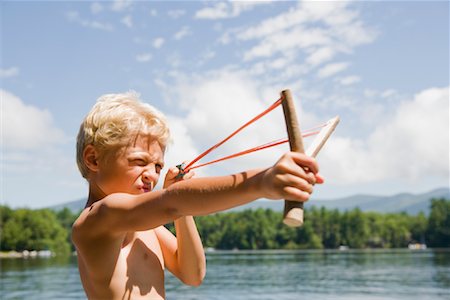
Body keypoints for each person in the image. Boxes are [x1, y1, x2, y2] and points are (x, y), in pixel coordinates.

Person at [72, 91, 323, 300]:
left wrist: (182, 210)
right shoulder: (97, 219)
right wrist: (262, 182)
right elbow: (171, 203)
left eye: (158, 166)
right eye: (139, 162)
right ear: (94, 159)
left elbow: (193, 274)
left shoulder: (148, 229)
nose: (152, 175)